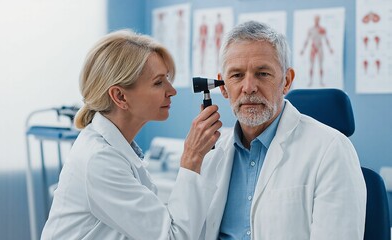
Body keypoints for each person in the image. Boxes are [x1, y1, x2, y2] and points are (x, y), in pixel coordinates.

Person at [41, 29, 222, 240]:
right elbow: (172, 237)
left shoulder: (117, 150)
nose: (172, 91)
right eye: (158, 82)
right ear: (120, 96)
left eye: (167, 79)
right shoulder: (99, 159)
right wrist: (192, 157)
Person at [198, 21, 366, 240]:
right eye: (237, 75)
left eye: (262, 74)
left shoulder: (332, 150)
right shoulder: (211, 152)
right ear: (223, 87)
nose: (249, 87)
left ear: (286, 81)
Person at [300, 15, 334, 87]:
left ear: (319, 20)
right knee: (311, 65)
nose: (317, 21)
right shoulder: (311, 29)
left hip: (320, 47)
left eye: (318, 19)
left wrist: (330, 48)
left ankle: (321, 81)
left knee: (321, 65)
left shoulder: (322, 29)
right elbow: (307, 40)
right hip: (313, 47)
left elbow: (326, 39)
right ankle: (310, 81)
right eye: (316, 19)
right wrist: (303, 49)